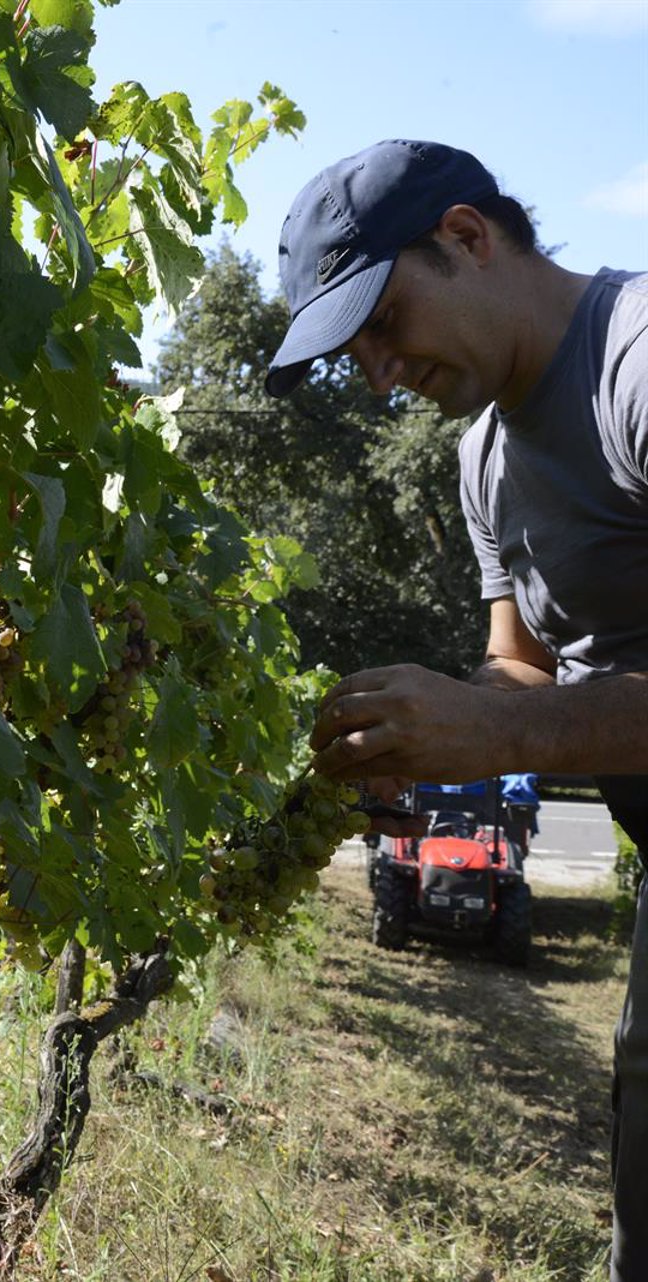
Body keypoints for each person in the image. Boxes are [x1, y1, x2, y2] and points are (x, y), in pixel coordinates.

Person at [263, 139, 647, 1280]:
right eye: (354, 356)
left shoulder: (634, 363)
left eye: (381, 324)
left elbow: (527, 719)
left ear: (467, 238)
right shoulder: (484, 457)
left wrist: (511, 734)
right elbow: (520, 669)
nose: (377, 374)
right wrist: (425, 733)